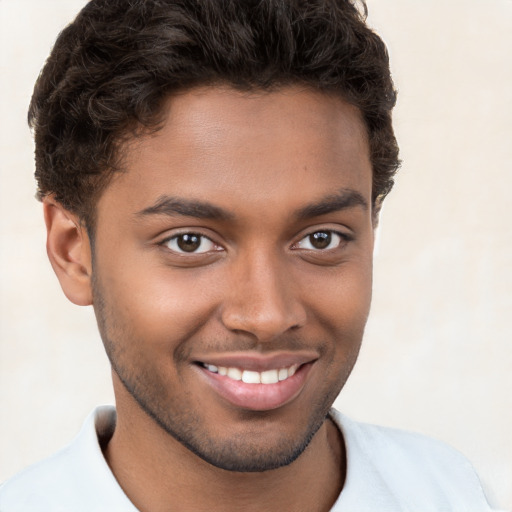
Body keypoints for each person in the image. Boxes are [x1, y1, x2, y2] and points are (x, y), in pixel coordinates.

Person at [0, 0, 496, 510]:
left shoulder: (456, 494)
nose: (268, 316)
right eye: (189, 242)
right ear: (73, 252)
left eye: (321, 239)